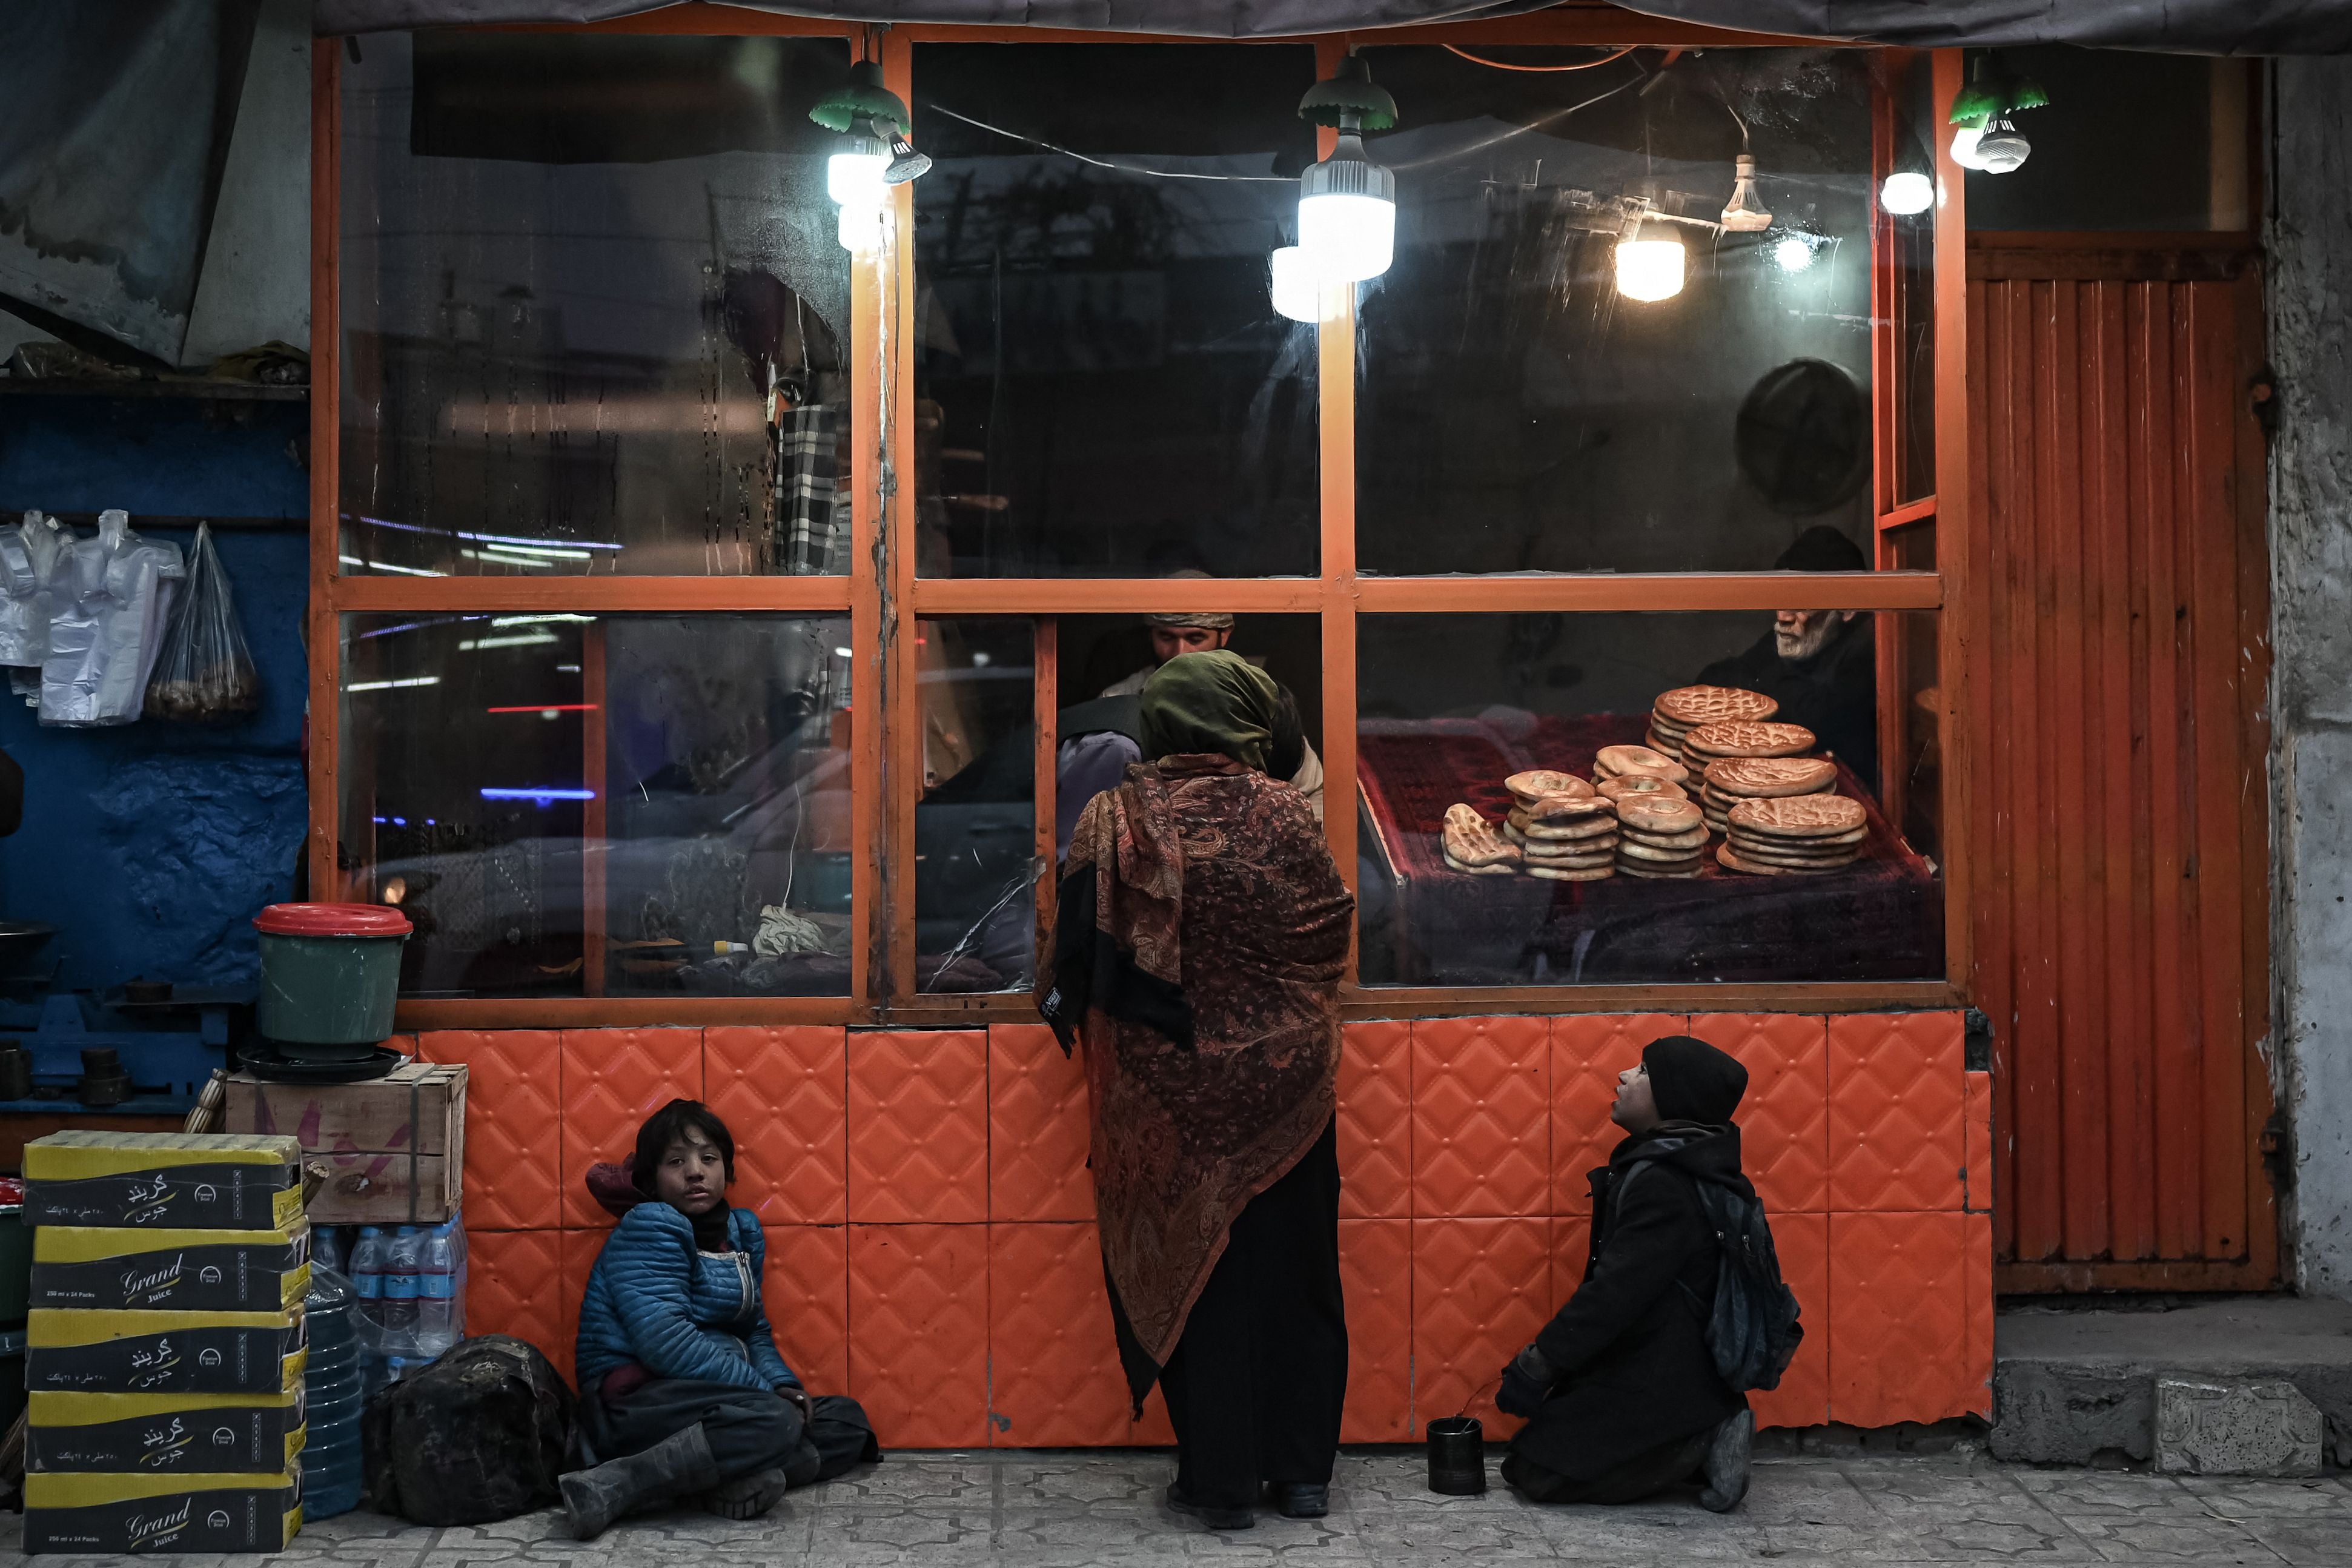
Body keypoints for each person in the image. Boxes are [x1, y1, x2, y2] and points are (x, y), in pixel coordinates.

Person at [1038, 650, 1356, 1532]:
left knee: (1199, 1276)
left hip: (1163, 1092)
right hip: (1284, 1093)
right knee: (1296, 1277)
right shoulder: (1283, 811)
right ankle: (1301, 1477)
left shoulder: (1113, 814)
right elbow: (1326, 939)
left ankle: (1216, 1484)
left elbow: (1078, 956)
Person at [558, 1100, 878, 1539]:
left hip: (718, 1399)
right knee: (775, 1423)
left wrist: (782, 1384)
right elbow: (666, 1343)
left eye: (708, 1159)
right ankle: (619, 1481)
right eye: (676, 1162)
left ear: (726, 1169)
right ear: (652, 1179)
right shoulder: (651, 1224)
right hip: (639, 1402)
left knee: (845, 1421)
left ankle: (705, 1482)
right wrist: (764, 1395)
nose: (695, 1171)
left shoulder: (741, 1231)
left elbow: (753, 1329)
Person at [1496, 1034, 1760, 1512]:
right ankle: (1693, 1430)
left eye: (1641, 1072)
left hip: (1669, 1371)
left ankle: (1702, 1436)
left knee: (1536, 1472)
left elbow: (1614, 1293)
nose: (1624, 1076)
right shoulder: (1677, 1163)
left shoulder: (1666, 1182)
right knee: (1537, 1450)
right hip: (1648, 1354)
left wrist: (1539, 1363)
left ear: (1672, 1098)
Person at [1096, 591, 1325, 819]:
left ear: (1224, 635)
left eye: (1195, 639)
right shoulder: (1118, 698)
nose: (1180, 653)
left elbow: (1311, 790)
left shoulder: (1253, 696)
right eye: (1166, 638)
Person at [1696, 526, 1878, 788]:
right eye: (1781, 598)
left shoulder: (1867, 649)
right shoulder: (1795, 634)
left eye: (1800, 602)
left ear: (1847, 608)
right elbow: (1718, 678)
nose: (1784, 616)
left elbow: (1815, 723)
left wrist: (1765, 681)